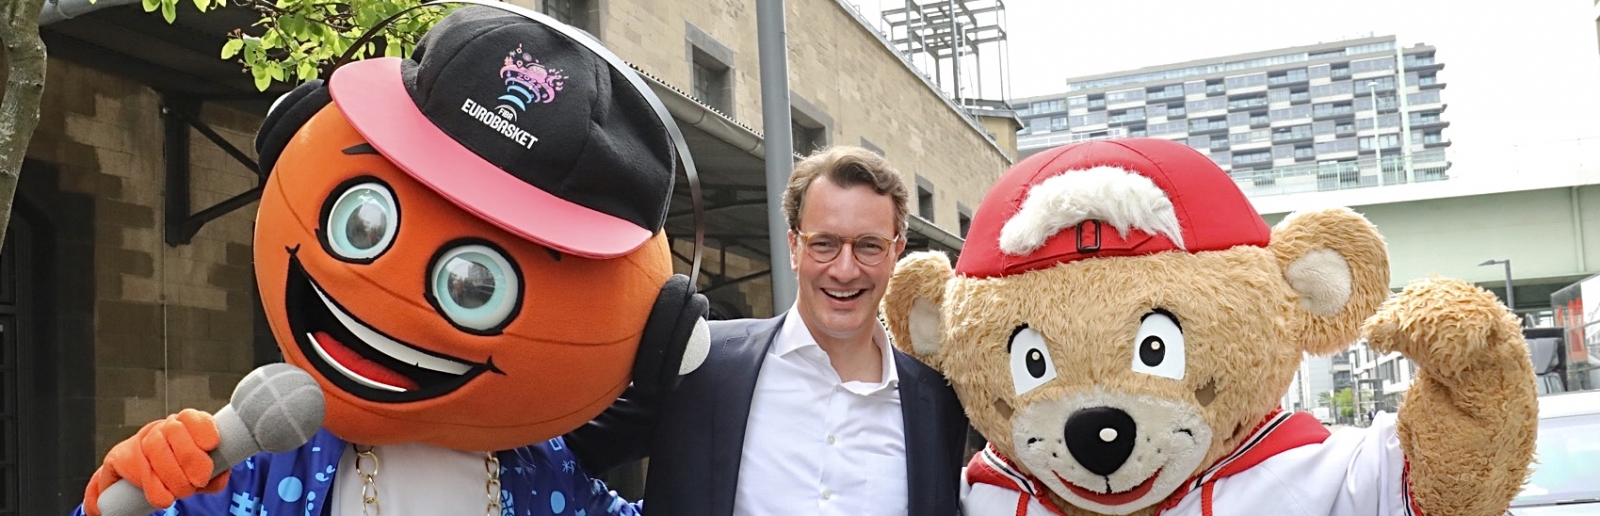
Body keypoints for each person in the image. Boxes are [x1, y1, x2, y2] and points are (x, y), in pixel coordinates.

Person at [569, 146, 971, 516]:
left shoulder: (939, 402)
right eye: (824, 244)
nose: (845, 269)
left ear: (896, 251)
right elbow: (562, 450)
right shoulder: (701, 362)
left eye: (869, 245)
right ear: (794, 247)